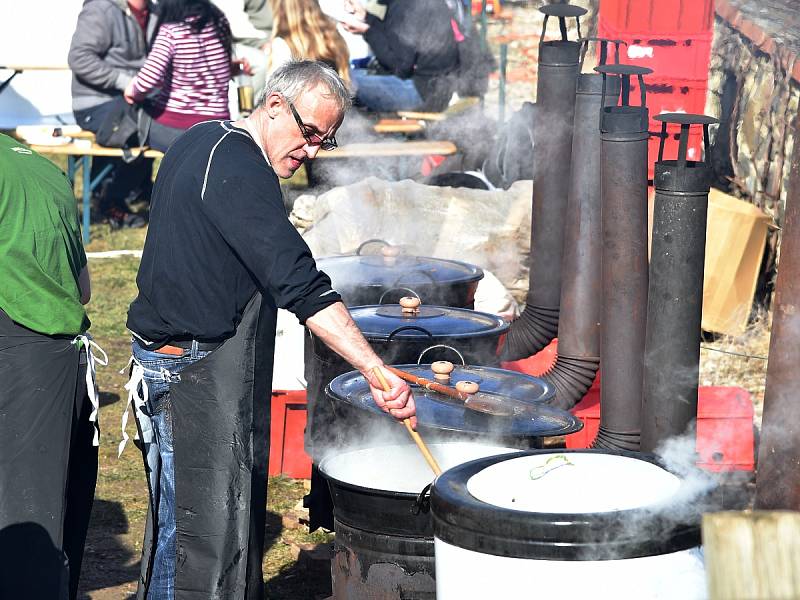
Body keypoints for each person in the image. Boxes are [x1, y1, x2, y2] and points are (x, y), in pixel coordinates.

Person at [124, 60, 416, 599]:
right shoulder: (237, 167)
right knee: (200, 543)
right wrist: (376, 369)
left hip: (177, 360)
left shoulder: (204, 139)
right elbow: (301, 285)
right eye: (309, 134)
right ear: (276, 105)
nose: (310, 152)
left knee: (178, 527)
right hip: (189, 372)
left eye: (323, 143)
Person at [0, 134, 98, 600]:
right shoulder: (41, 165)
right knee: (53, 514)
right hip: (65, 360)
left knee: (24, 525)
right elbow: (84, 288)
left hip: (22, 346)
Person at [68, 0, 155, 229]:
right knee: (147, 127)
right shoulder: (101, 9)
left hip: (132, 102)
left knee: (165, 119)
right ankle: (111, 200)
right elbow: (79, 58)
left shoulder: (156, 11)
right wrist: (126, 82)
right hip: (95, 104)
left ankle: (138, 189)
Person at [123, 0, 239, 152]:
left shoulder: (172, 31)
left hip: (176, 127)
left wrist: (132, 92)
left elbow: (147, 80)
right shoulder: (218, 22)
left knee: (134, 127)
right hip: (218, 127)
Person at [342, 0, 459, 112]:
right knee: (347, 76)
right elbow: (394, 38)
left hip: (422, 92)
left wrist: (368, 31)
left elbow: (400, 66)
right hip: (438, 89)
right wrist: (366, 17)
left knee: (341, 81)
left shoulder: (403, 6)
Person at [267, 0, 351, 84]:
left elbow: (273, 88)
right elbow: (350, 84)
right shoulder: (332, 35)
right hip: (340, 94)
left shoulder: (281, 44)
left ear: (279, 8)